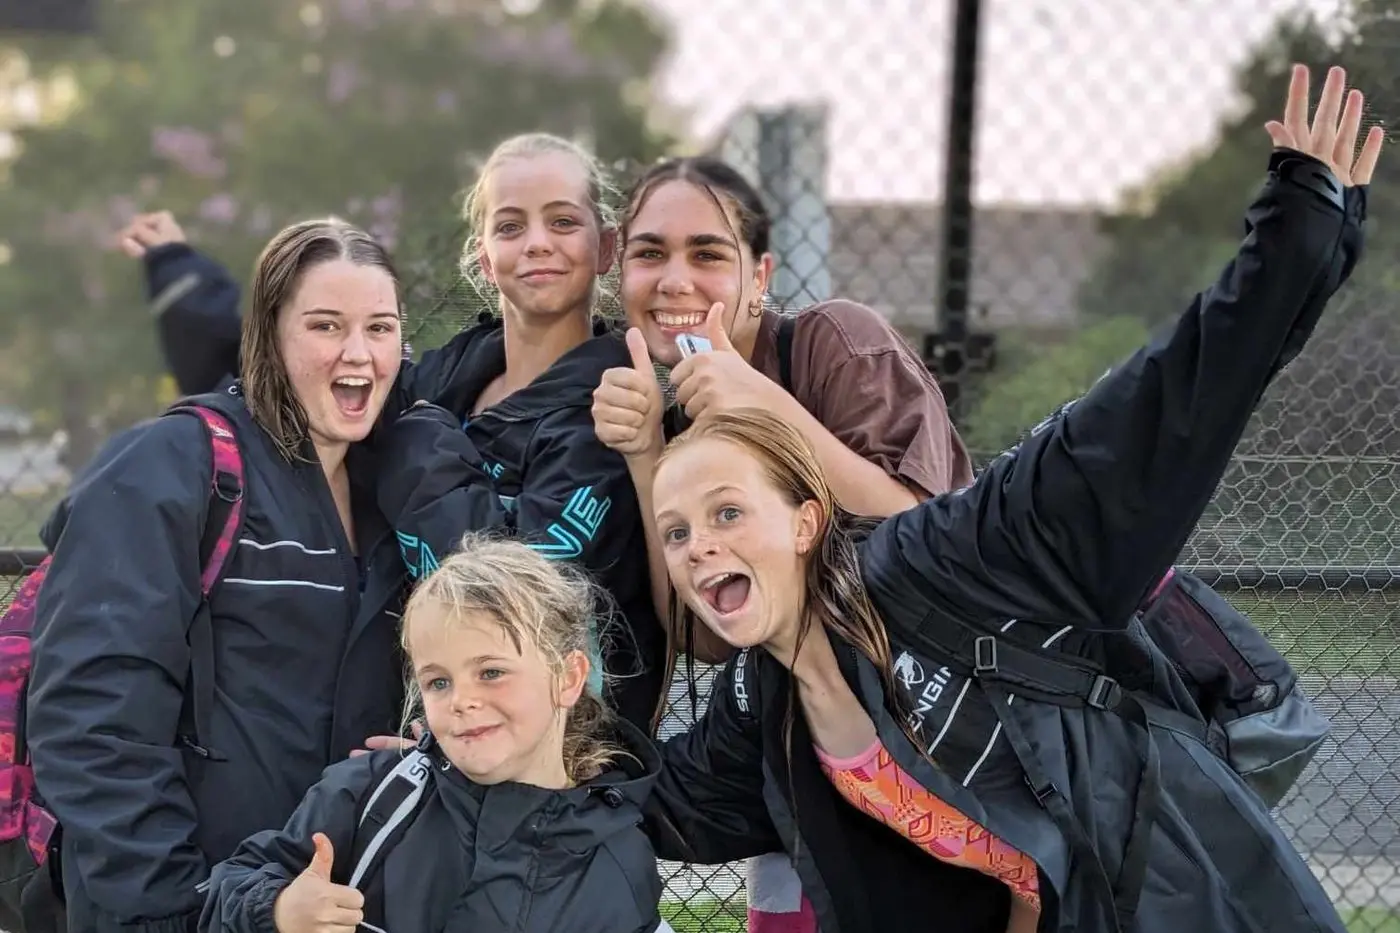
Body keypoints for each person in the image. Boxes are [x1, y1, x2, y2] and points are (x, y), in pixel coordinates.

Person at [641, 65, 1380, 933]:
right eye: (676, 530)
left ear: (807, 519)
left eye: (728, 512)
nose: (698, 546)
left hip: (1179, 898)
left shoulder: (951, 559)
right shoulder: (766, 697)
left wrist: (1299, 232)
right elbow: (655, 803)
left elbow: (1155, 409)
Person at [117, 134, 669, 732]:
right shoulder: (446, 378)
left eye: (562, 222)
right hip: (409, 739)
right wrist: (183, 275)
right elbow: (291, 364)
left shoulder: (612, 410)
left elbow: (513, 588)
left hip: (548, 766)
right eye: (510, 226)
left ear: (607, 245)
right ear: (483, 254)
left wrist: (421, 448)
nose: (537, 243)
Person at [591, 156, 974, 931]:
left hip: (943, 738)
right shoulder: (680, 413)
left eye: (708, 253)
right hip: (804, 760)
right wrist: (645, 457)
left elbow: (919, 534)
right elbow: (702, 633)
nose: (675, 278)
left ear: (759, 275)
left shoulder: (835, 342)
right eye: (649, 253)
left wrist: (761, 399)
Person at [27, 218, 411, 933]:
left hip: (325, 906)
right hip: (184, 904)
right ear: (267, 335)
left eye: (380, 328)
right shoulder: (168, 466)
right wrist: (166, 912)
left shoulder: (392, 491)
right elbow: (91, 721)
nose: (359, 352)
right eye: (326, 326)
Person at [199, 534, 668, 933]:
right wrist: (279, 909)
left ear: (567, 679)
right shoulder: (368, 793)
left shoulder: (618, 859)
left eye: (490, 672)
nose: (461, 700)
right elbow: (230, 883)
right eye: (439, 681)